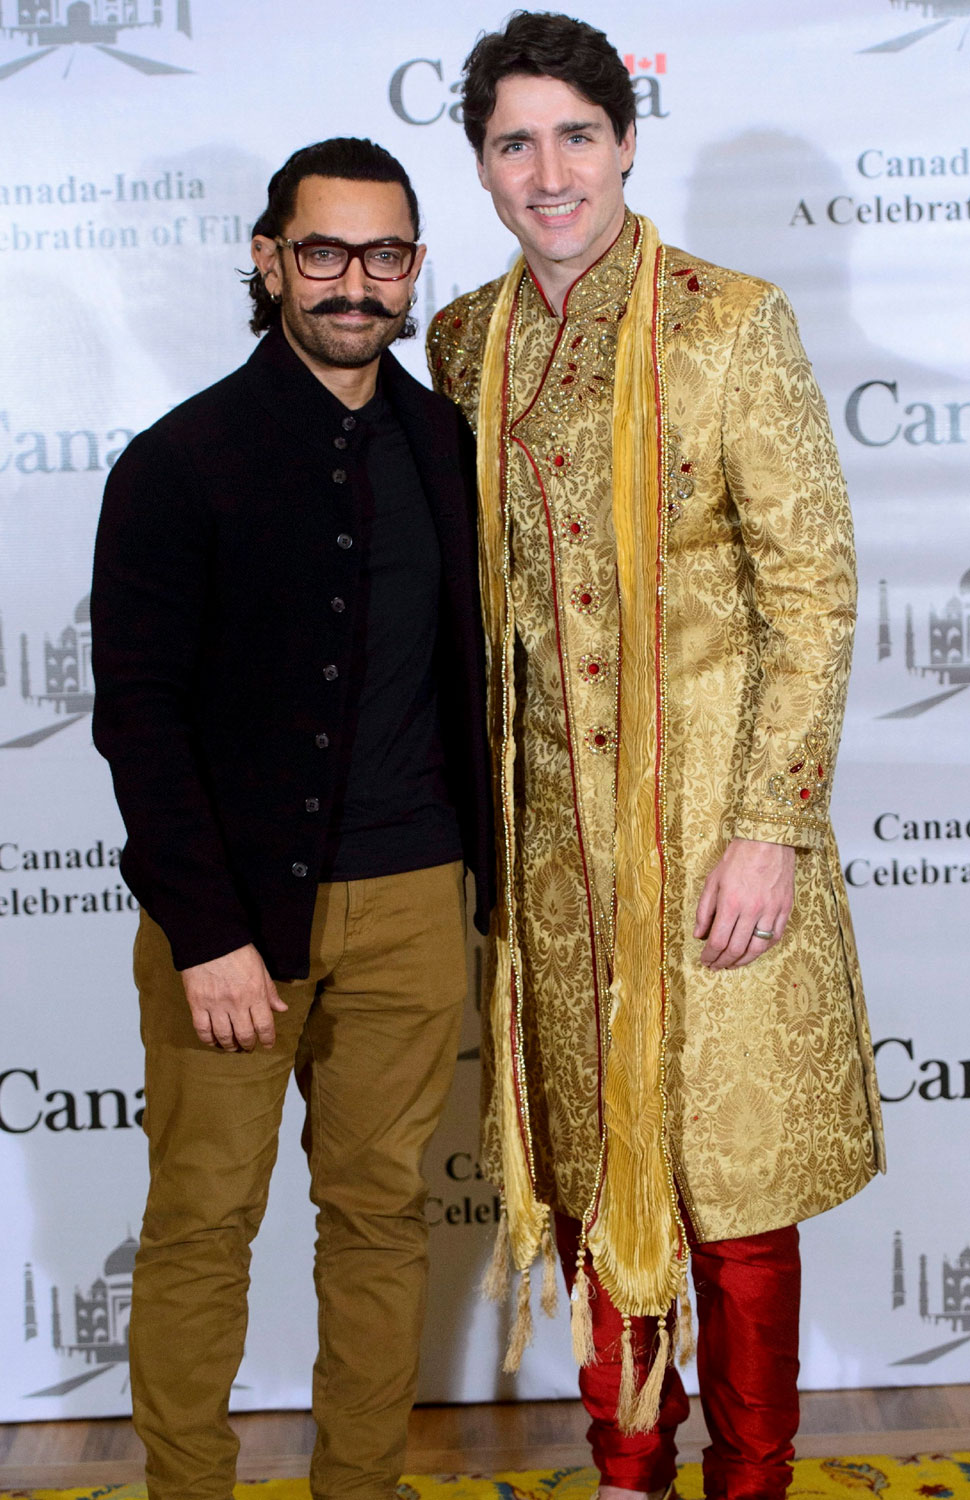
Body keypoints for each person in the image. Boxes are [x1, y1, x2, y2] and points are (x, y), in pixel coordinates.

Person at [427, 15, 885, 1500]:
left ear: (627, 141)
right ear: (482, 167)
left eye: (574, 135)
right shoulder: (460, 346)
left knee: (731, 1202)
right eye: (514, 142)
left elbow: (809, 588)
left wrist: (768, 826)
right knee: (588, 1186)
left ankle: (751, 1476)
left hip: (714, 840)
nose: (547, 171)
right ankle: (628, 1465)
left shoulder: (725, 320)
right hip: (554, 855)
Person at [91, 137, 493, 1500]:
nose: (352, 284)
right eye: (322, 252)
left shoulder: (446, 441)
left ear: (413, 269)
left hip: (413, 902)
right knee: (202, 1222)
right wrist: (206, 933)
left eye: (383, 256)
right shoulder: (177, 460)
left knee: (380, 1218)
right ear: (269, 260)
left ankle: (360, 1490)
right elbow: (137, 716)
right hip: (232, 927)